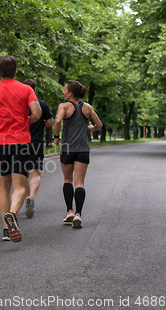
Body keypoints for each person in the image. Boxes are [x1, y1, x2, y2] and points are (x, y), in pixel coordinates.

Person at [0, 56, 41, 242]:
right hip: (21, 141)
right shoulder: (26, 89)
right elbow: (36, 113)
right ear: (15, 70)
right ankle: (12, 214)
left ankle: (6, 230)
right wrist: (26, 121)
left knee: (3, 187)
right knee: (20, 185)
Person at [54, 80, 102, 228]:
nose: (63, 92)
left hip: (67, 149)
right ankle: (78, 215)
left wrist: (56, 137)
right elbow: (99, 125)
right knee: (79, 182)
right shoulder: (87, 107)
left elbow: (57, 122)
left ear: (70, 93)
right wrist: (90, 128)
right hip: (82, 149)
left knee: (67, 180)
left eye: (64, 89)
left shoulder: (64, 106)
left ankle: (69, 211)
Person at [22, 79, 54, 218]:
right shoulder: (41, 104)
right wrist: (40, 124)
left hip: (20, 143)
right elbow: (51, 121)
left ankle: (23, 197)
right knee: (36, 173)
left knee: (23, 174)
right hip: (36, 143)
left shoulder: (19, 104)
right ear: (34, 90)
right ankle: (32, 197)